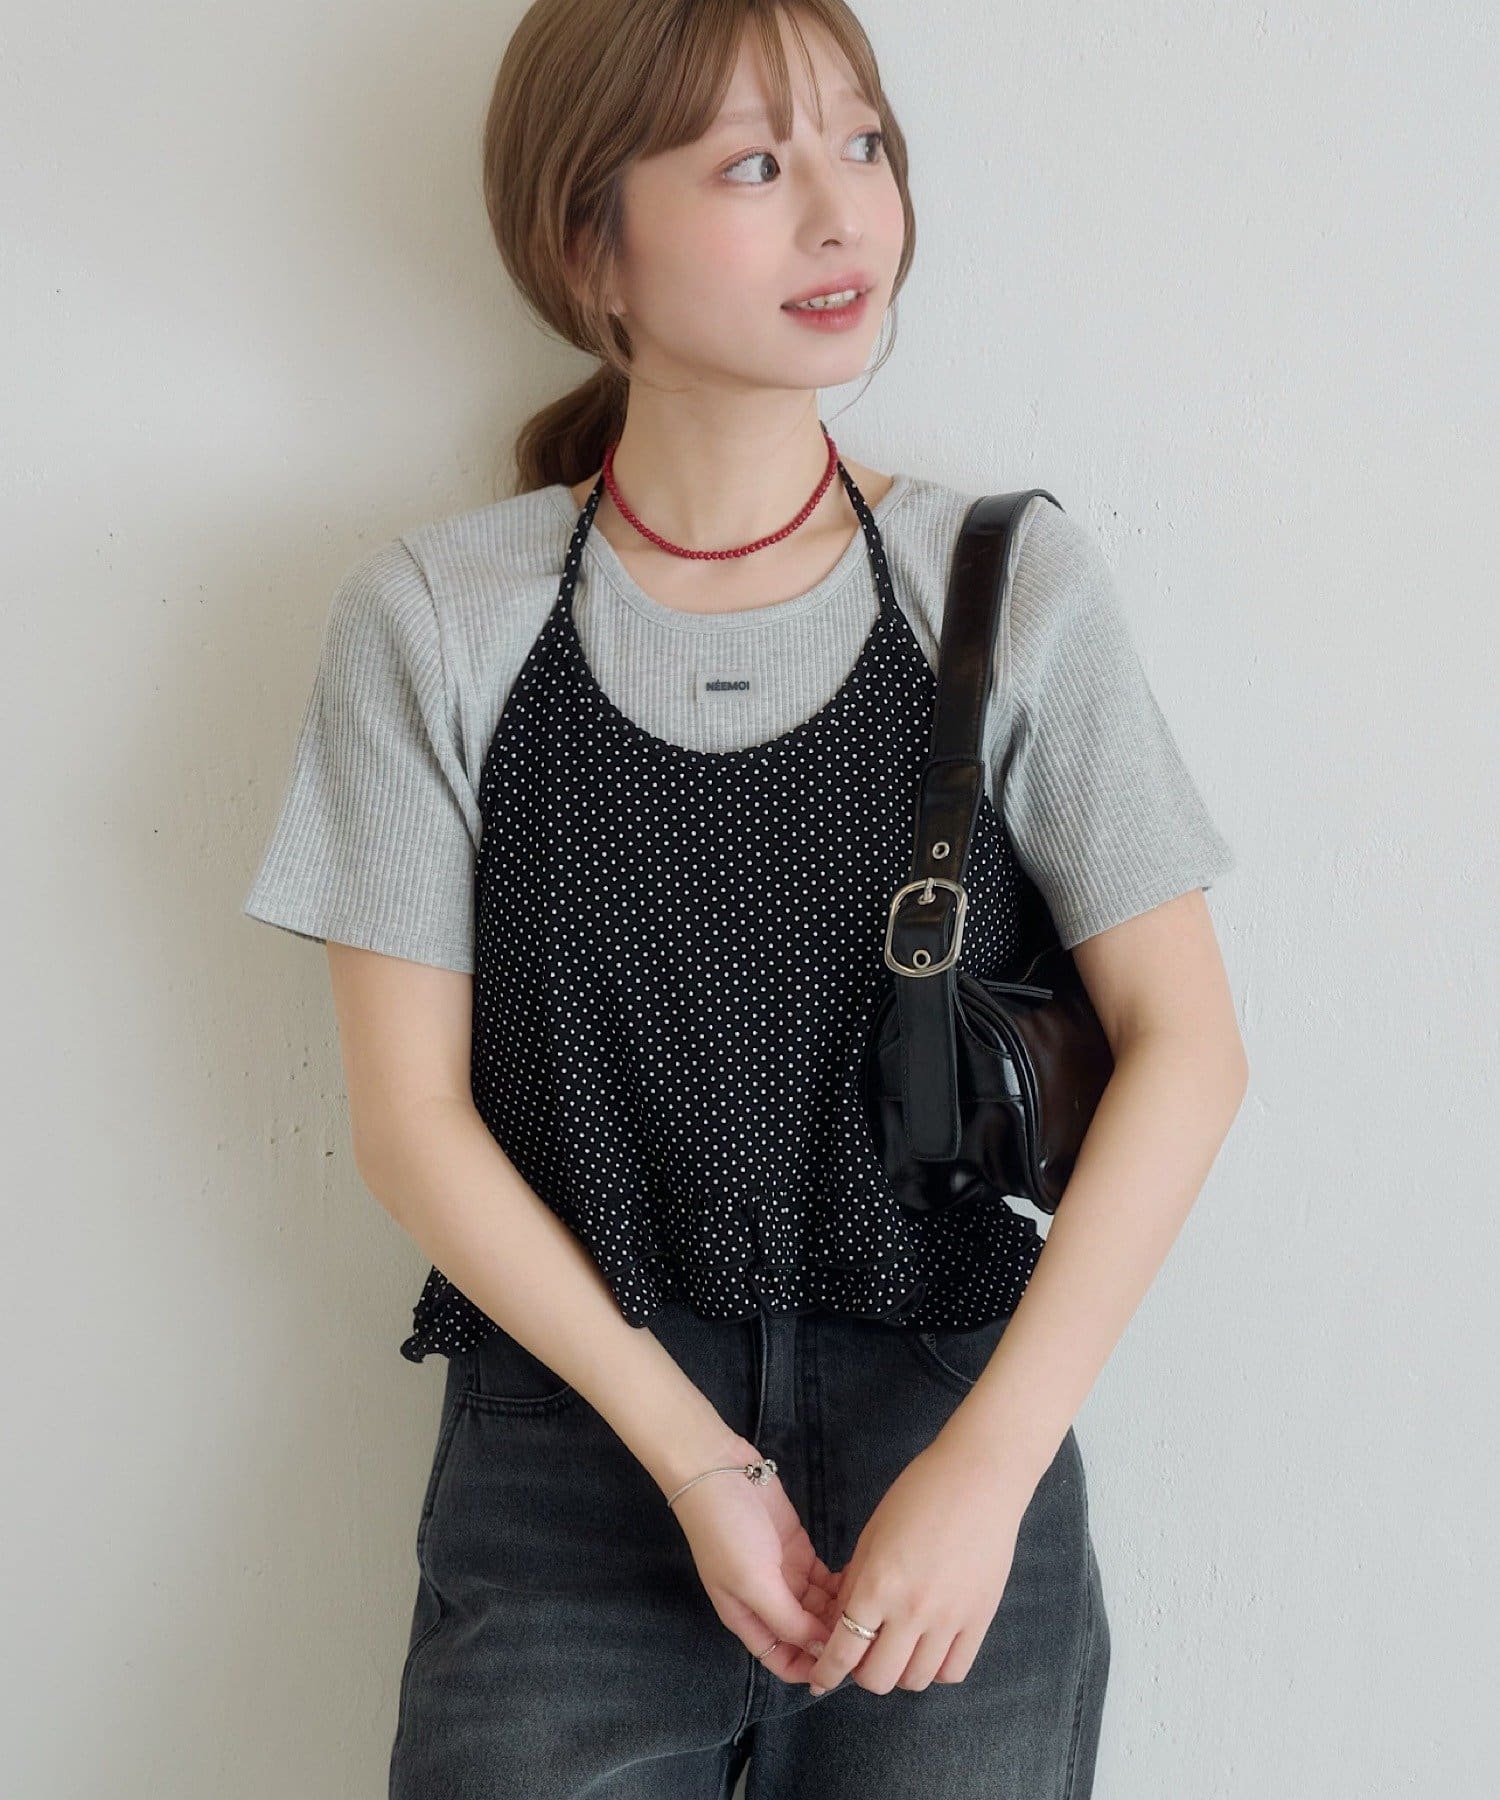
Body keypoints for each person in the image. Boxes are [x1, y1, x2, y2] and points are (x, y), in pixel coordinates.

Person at [241, 2, 1249, 1793]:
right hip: (575, 1450)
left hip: (951, 1422)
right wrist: (694, 1454)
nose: (845, 216)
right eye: (755, 166)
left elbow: (1189, 1048)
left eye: (863, 145)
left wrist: (991, 1465)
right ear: (588, 245)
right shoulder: (442, 620)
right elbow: (409, 1122)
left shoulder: (1001, 585)